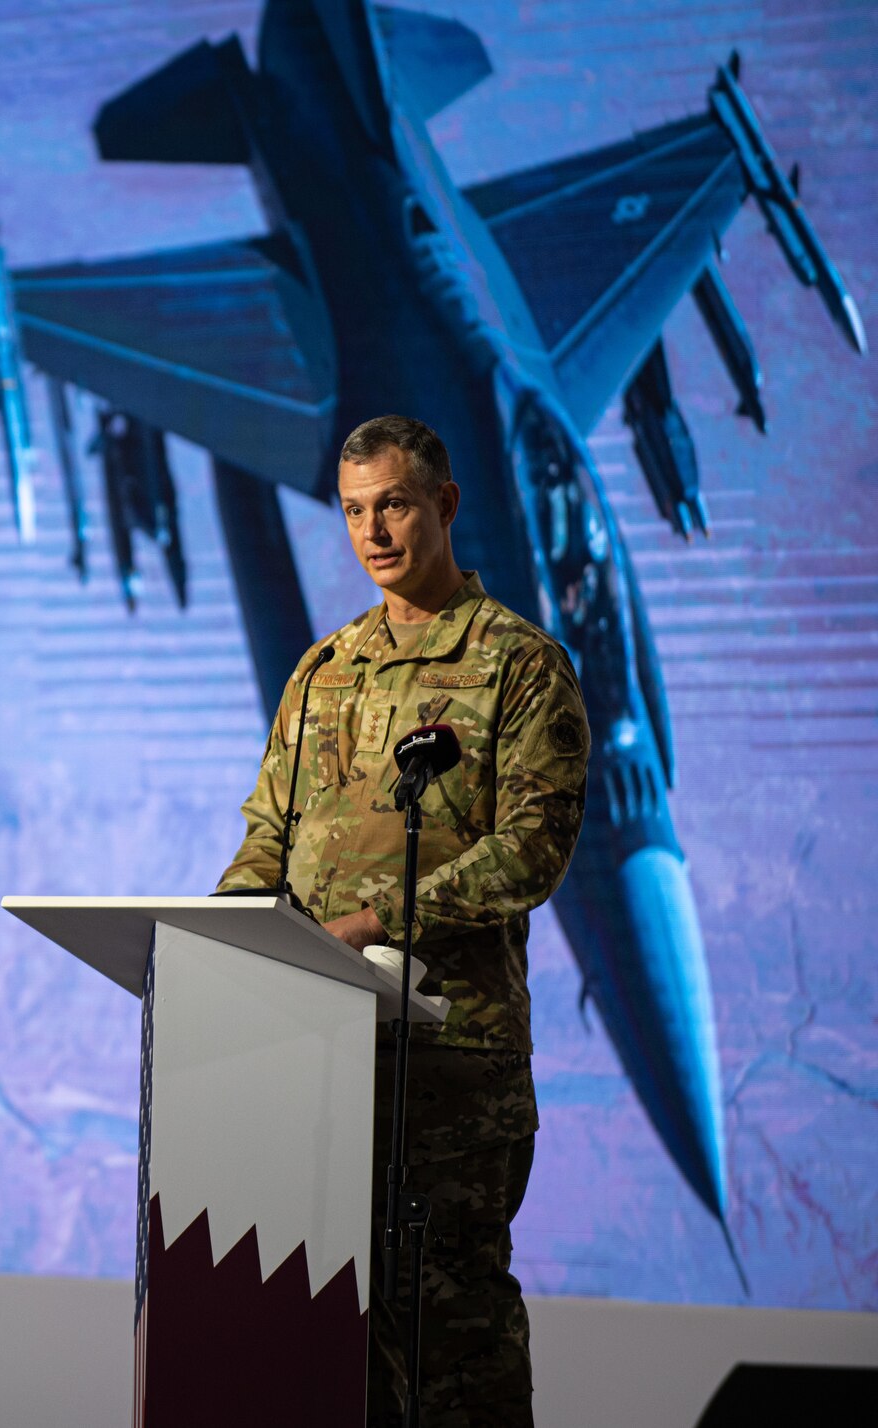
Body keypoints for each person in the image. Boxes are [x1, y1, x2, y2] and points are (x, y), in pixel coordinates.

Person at [215, 415, 588, 1428]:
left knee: (448, 1342)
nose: (371, 530)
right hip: (319, 1059)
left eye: (391, 505)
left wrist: (382, 918)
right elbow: (266, 838)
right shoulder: (322, 670)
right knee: (326, 1349)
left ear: (443, 505)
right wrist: (219, 945)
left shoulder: (518, 667)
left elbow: (528, 852)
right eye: (351, 511)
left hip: (448, 1062)